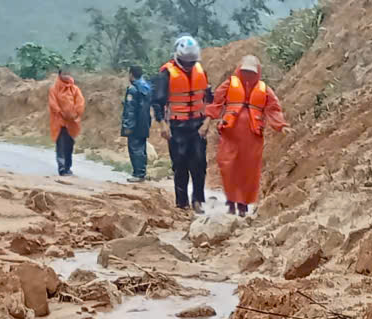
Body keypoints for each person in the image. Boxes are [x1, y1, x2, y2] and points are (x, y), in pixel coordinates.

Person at [205, 54, 289, 217]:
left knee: (248, 171)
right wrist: (206, 122)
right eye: (245, 72)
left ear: (257, 72)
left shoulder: (264, 89)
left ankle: (242, 204)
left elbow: (273, 109)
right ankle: (231, 201)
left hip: (252, 136)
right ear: (239, 70)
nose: (247, 75)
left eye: (251, 72)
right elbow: (216, 103)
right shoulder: (229, 84)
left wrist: (281, 126)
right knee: (228, 166)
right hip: (230, 134)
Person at [153, 35, 211, 213]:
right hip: (177, 127)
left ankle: (198, 201)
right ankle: (181, 203)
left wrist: (207, 122)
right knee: (180, 165)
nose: (189, 65)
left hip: (198, 125)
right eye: (186, 62)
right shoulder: (167, 73)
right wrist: (162, 124)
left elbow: (210, 99)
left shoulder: (200, 70)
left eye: (192, 62)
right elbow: (157, 102)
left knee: (199, 164)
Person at [48, 67, 85, 176]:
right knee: (61, 145)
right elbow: (53, 104)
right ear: (59, 75)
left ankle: (68, 167)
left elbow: (80, 102)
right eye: (64, 73)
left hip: (72, 122)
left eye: (68, 73)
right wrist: (61, 113)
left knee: (69, 145)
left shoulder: (75, 89)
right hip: (59, 122)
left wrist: (76, 113)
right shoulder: (54, 89)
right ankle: (62, 168)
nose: (67, 75)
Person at [121, 65, 153, 182]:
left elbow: (130, 110)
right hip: (145, 122)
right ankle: (142, 172)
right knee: (142, 147)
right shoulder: (147, 87)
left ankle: (138, 174)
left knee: (135, 148)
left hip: (135, 123)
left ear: (131, 74)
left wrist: (127, 126)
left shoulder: (133, 89)